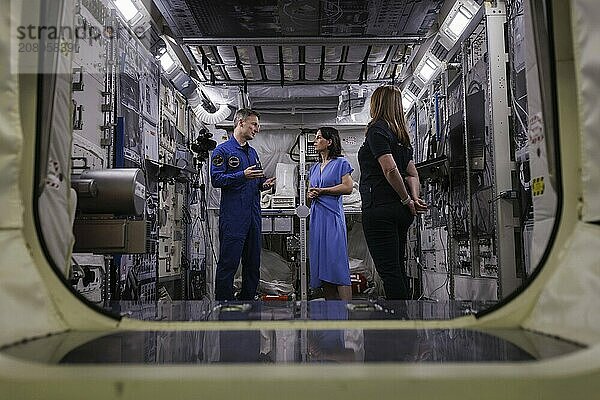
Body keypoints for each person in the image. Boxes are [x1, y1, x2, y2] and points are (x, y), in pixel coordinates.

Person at [358, 85, 428, 300]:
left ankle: (398, 325)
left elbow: (389, 169)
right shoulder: (401, 136)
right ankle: (404, 317)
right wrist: (414, 199)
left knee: (389, 272)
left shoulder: (377, 130)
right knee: (397, 268)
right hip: (400, 213)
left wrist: (407, 198)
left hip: (380, 208)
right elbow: (412, 174)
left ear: (377, 104)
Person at [210, 109, 275, 301]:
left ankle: (248, 303)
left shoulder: (252, 152)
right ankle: (224, 305)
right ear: (240, 123)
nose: (258, 128)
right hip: (234, 216)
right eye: (254, 124)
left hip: (253, 216)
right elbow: (216, 179)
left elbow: (254, 181)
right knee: (228, 264)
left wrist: (263, 184)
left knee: (253, 263)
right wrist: (242, 175)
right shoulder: (222, 151)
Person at [307, 127, 354, 301]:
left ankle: (346, 316)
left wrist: (323, 191)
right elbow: (309, 192)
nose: (315, 141)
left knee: (337, 265)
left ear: (330, 141)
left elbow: (347, 188)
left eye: (319, 138)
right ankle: (332, 315)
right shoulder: (314, 168)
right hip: (317, 218)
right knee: (322, 267)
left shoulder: (341, 163)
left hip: (332, 217)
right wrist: (310, 195)